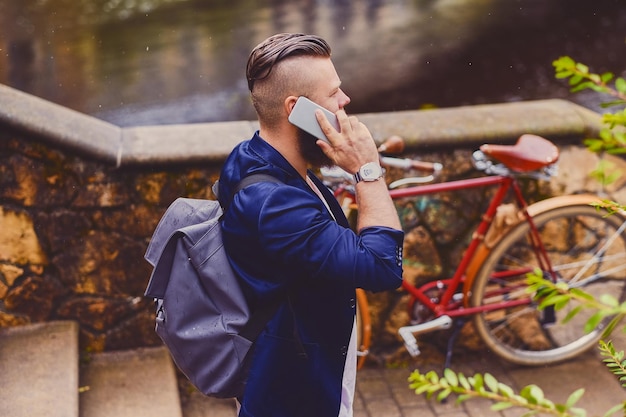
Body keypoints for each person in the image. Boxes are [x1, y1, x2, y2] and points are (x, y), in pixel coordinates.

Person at [217, 33, 404, 417]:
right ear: (295, 108)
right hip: (293, 395)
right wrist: (367, 172)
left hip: (306, 376)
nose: (345, 100)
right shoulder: (276, 203)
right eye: (334, 92)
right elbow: (383, 267)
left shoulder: (256, 156)